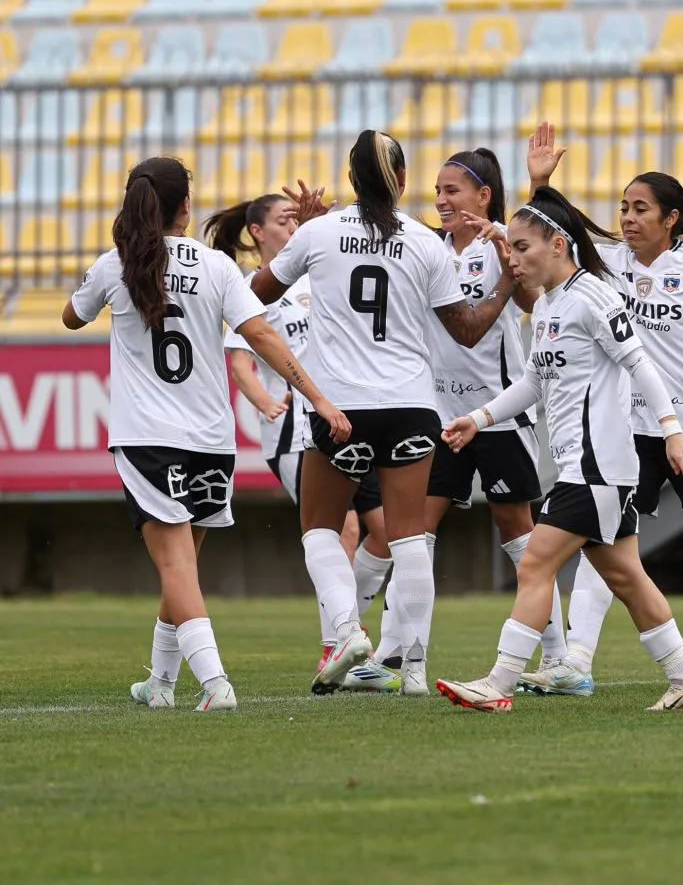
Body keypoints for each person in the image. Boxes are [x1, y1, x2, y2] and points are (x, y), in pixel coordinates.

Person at [61, 157, 350, 711]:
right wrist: (316, 396)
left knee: (175, 568)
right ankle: (161, 683)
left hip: (149, 438)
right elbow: (261, 334)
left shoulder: (116, 264)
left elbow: (73, 317)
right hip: (212, 441)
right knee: (184, 568)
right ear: (185, 207)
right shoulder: (217, 266)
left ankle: (216, 686)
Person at [249, 129, 519, 697]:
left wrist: (309, 240)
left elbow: (259, 292)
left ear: (351, 179)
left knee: (320, 530)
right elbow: (467, 329)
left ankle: (348, 631)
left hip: (341, 405)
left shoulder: (319, 232)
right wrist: (504, 287)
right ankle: (414, 669)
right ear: (401, 180)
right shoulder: (424, 241)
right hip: (411, 403)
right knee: (409, 537)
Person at [435, 186, 683, 714]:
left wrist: (673, 431)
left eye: (522, 248)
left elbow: (641, 364)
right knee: (626, 576)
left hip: (595, 466)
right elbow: (533, 383)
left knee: (534, 565)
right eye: (510, 249)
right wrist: (478, 418)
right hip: (588, 466)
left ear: (558, 245)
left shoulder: (594, 297)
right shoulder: (546, 306)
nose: (513, 260)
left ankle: (499, 683)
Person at [521, 124, 683, 698]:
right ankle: (575, 663)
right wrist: (539, 184)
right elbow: (550, 235)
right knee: (600, 541)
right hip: (627, 431)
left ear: (671, 218)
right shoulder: (608, 260)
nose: (628, 219)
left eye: (641, 209)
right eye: (624, 208)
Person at [343, 147, 570, 693]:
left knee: (519, 532)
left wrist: (511, 240)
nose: (441, 200)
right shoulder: (429, 249)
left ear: (483, 196)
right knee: (414, 531)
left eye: (453, 191)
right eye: (438, 191)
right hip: (440, 417)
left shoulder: (503, 246)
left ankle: (559, 659)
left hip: (497, 414)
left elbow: (537, 301)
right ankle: (394, 654)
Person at [204, 193, 393, 675]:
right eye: (283, 221)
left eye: (296, 221)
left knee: (387, 533)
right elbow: (240, 361)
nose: (291, 228)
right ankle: (338, 644)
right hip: (296, 430)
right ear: (257, 232)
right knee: (343, 528)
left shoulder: (315, 276)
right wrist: (264, 401)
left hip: (347, 420)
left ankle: (346, 631)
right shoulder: (251, 289)